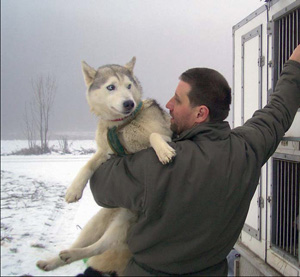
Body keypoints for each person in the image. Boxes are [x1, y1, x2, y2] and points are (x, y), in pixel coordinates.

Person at [85, 45, 300, 276]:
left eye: (177, 100)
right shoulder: (247, 148)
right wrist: (296, 65)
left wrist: (122, 139)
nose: (167, 104)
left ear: (200, 113)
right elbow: (280, 109)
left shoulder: (154, 164)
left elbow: (99, 186)